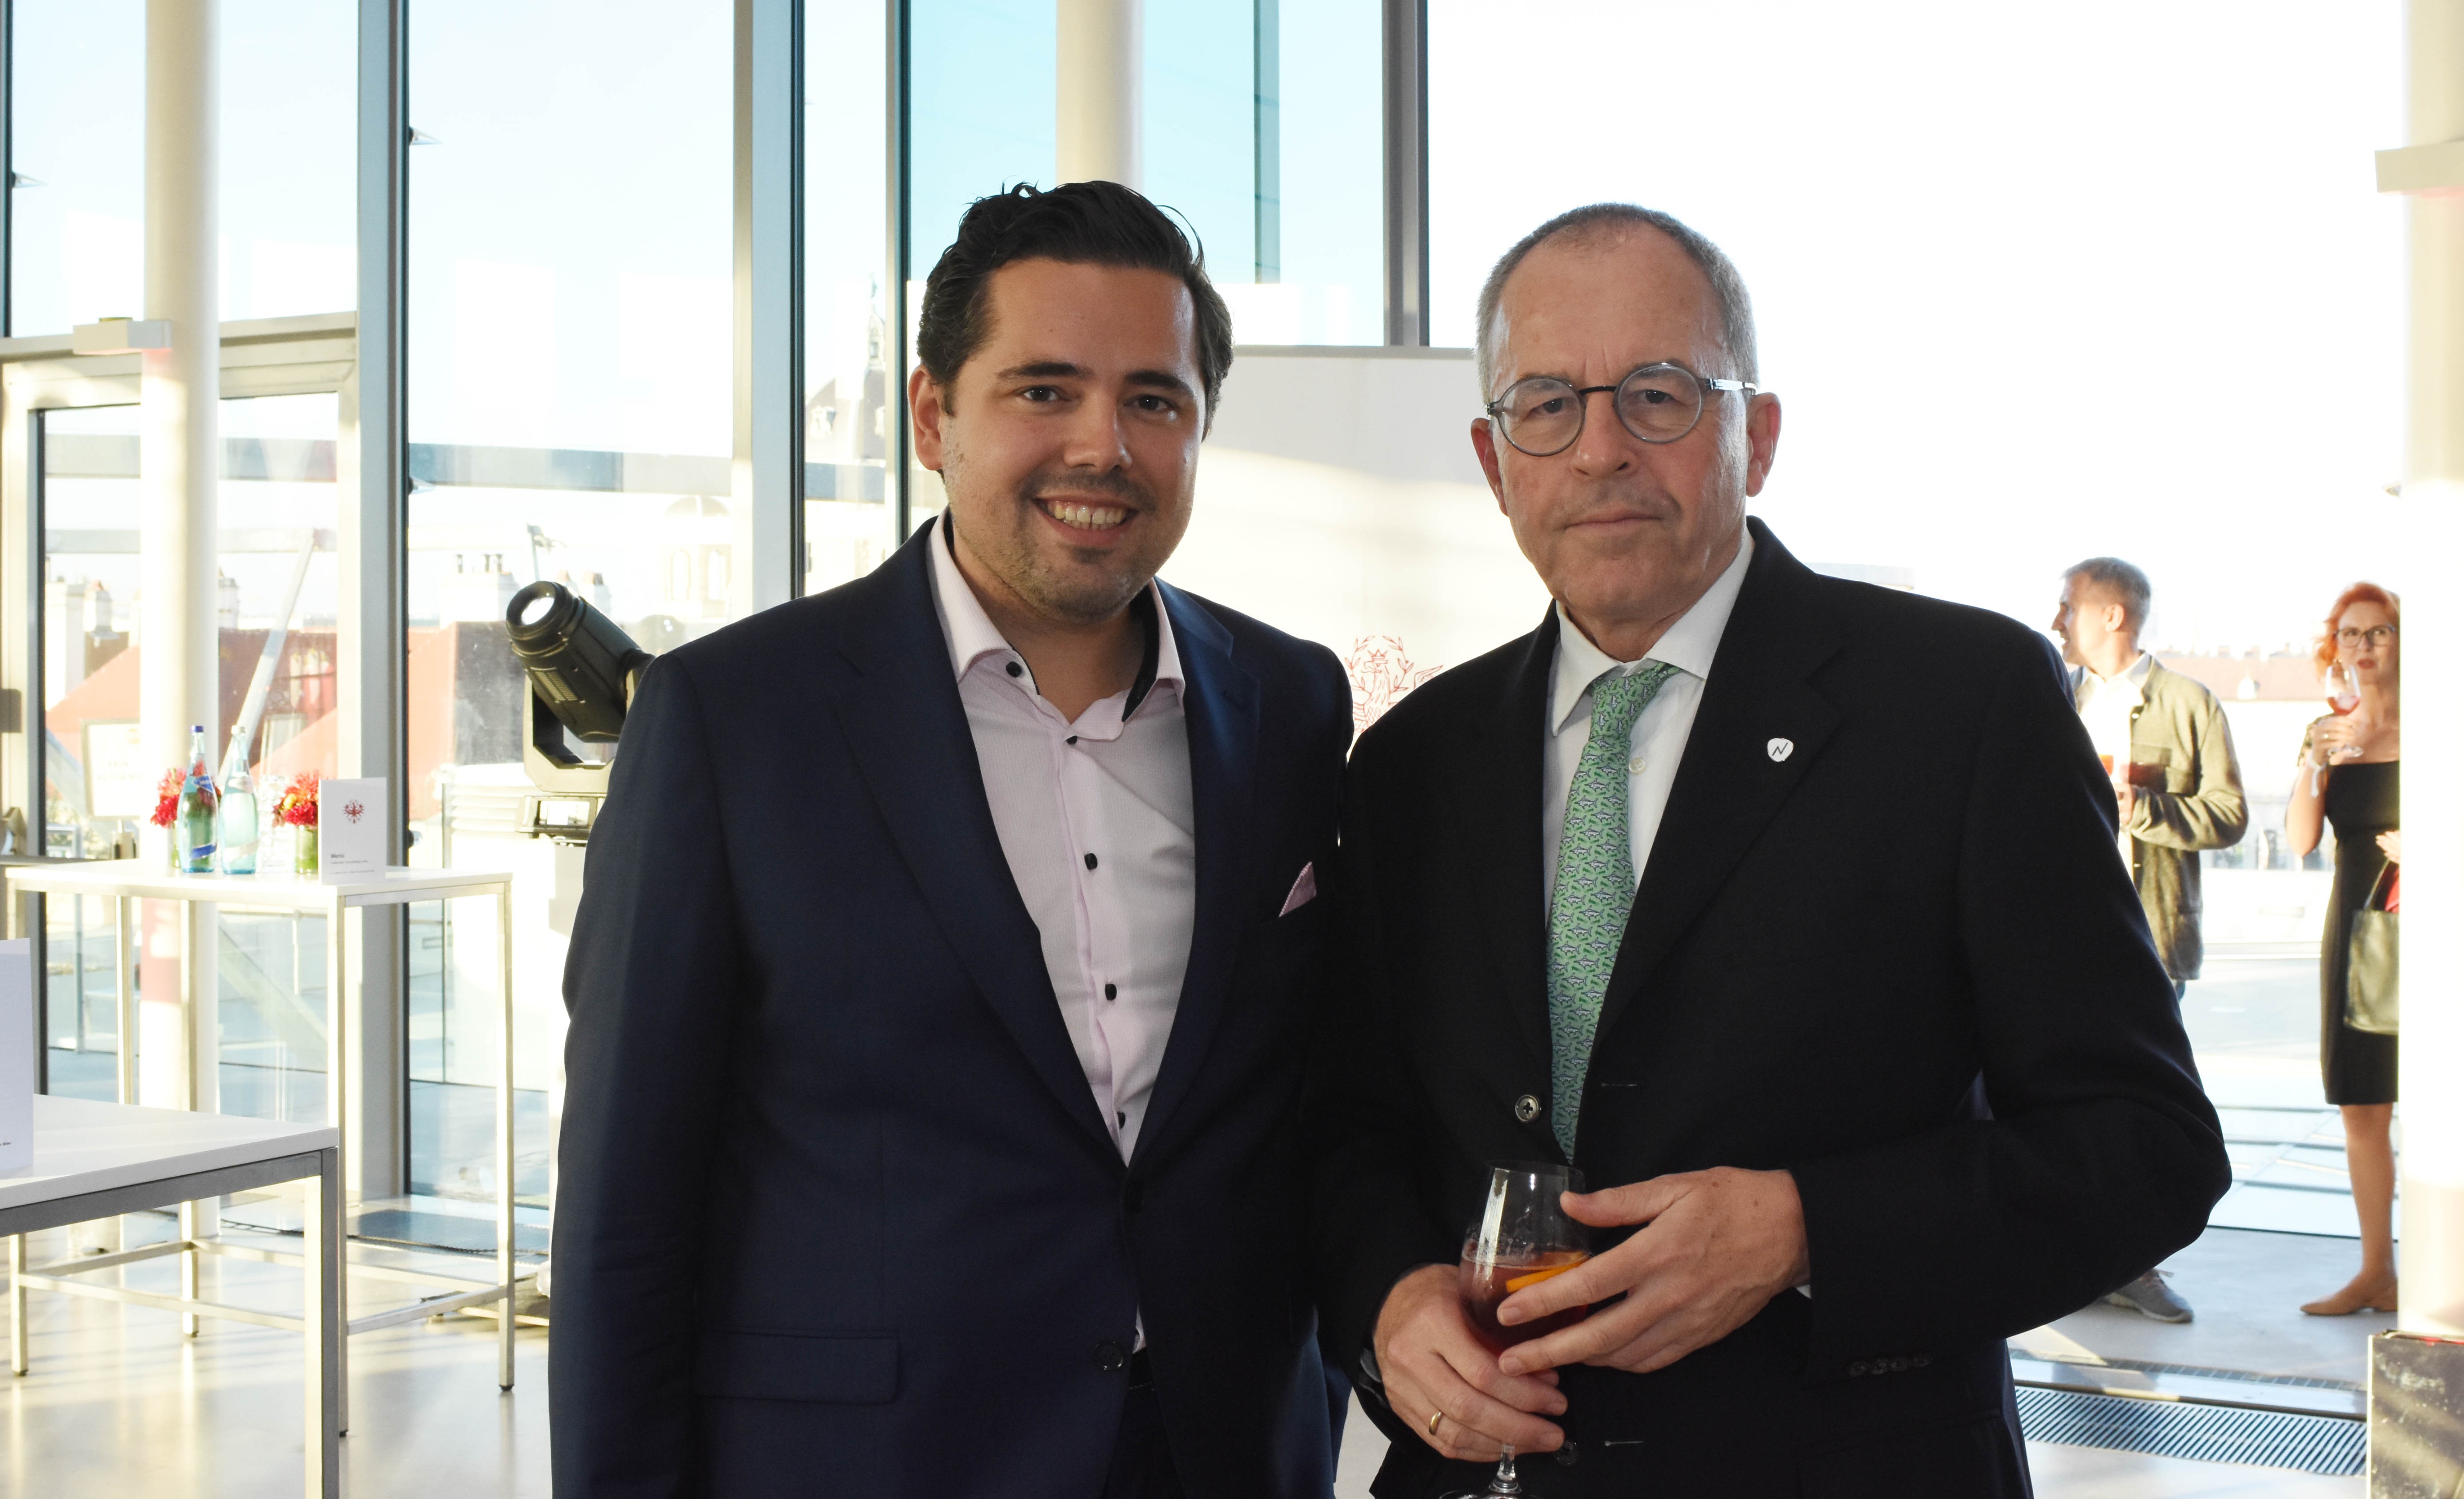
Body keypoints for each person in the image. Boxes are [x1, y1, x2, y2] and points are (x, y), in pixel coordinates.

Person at [1311, 203, 2231, 1497]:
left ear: (1761, 435)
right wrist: (1391, 1297)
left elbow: (2146, 1150)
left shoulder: (1960, 707)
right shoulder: (1412, 761)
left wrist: (1804, 1230)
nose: (1601, 449)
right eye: (1547, 406)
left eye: (1658, 395)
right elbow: (1347, 1128)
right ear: (1493, 458)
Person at [552, 181, 1351, 1498]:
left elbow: (1310, 1110)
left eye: (1155, 400)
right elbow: (625, 1206)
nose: (1104, 446)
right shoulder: (733, 718)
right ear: (933, 416)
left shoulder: (1291, 703)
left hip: (1222, 1452)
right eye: (1043, 390)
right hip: (873, 1458)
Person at [2051, 556, 2247, 1324]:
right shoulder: (2051, 696)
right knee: (2052, 1106)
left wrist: (2144, 812)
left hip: (2149, 935)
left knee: (2139, 1109)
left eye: (2068, 606)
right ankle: (2074, 1261)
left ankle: (2136, 1263)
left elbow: (2229, 815)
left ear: (2112, 616)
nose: (2056, 620)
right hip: (2052, 934)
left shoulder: (2189, 703)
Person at [2287, 582, 2401, 1317]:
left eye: (2380, 631)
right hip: (2357, 929)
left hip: (2430, 929)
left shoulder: (2443, 724)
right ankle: (2375, 1272)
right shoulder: (2329, 729)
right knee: (2363, 1103)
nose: (2364, 645)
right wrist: (2312, 759)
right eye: (2351, 633)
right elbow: (2300, 839)